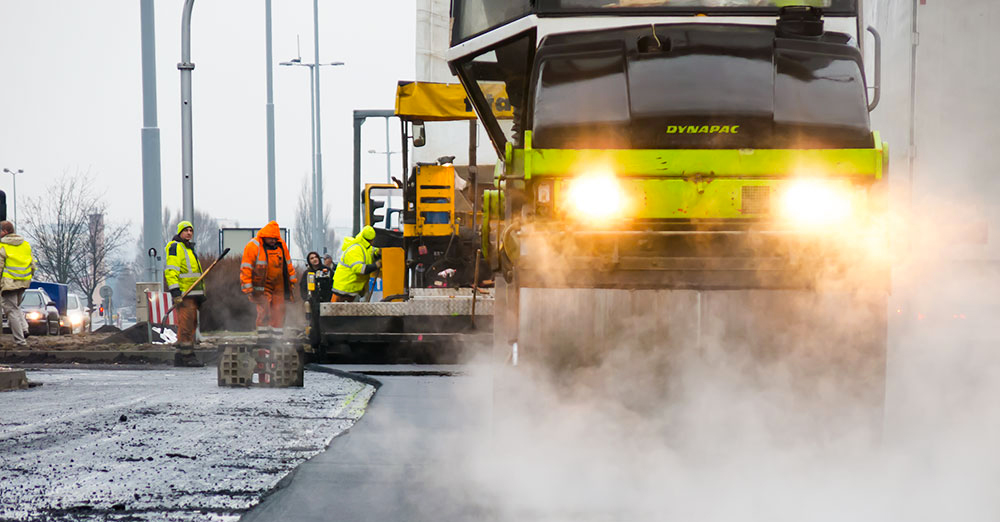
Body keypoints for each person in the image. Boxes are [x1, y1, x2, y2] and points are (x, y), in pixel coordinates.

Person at [240, 221, 297, 340]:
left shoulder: (281, 245)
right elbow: (246, 268)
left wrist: (292, 282)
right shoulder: (253, 246)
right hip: (261, 287)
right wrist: (248, 288)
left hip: (279, 286)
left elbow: (288, 265)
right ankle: (264, 339)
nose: (273, 241)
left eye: (275, 238)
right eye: (271, 238)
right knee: (264, 311)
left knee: (279, 311)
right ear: (265, 236)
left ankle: (277, 339)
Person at [165, 220, 206, 367]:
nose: (189, 233)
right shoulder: (176, 247)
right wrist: (175, 292)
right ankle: (187, 356)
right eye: (186, 230)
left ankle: (181, 355)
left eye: (191, 230)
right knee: (187, 325)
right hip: (184, 294)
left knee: (190, 324)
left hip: (193, 295)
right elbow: (171, 271)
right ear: (180, 232)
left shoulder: (188, 249)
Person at [0, 221, 34, 347]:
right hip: (23, 283)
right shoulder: (25, 245)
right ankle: (24, 328)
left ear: (5, 231)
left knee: (11, 311)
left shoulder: (2, 246)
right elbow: (32, 265)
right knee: (16, 307)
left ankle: (20, 341)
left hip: (8, 283)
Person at [332, 226, 381, 302]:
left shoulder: (365, 248)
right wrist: (376, 265)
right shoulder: (355, 250)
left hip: (350, 289)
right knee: (336, 312)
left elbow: (372, 251)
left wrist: (378, 252)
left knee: (344, 312)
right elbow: (359, 269)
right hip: (343, 290)